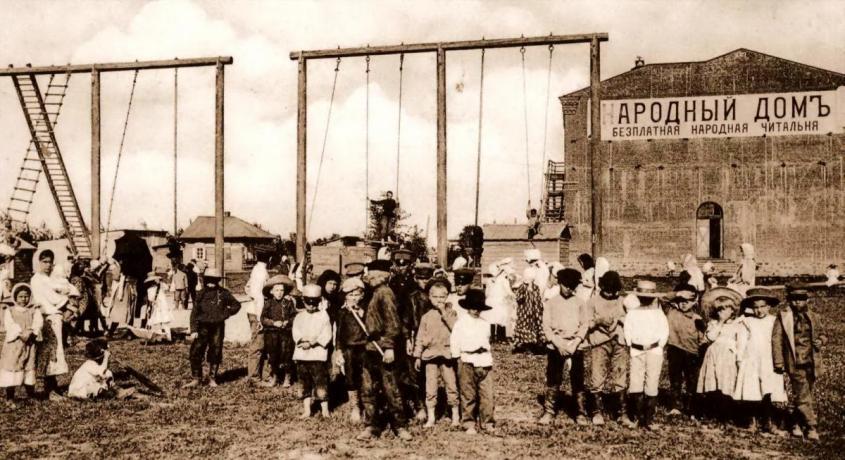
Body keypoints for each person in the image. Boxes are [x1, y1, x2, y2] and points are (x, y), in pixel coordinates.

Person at [356, 260, 412, 441]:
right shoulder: (374, 293)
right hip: (370, 348)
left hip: (383, 348)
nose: (368, 278)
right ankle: (372, 425)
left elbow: (393, 324)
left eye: (371, 275)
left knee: (391, 389)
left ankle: (400, 426)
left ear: (382, 276)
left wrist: (389, 348)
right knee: (368, 389)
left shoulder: (386, 294)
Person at [773, 285, 826, 441]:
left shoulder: (814, 317)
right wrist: (778, 362)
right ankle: (811, 427)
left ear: (807, 300)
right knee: (803, 395)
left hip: (812, 361)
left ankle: (795, 423)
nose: (798, 303)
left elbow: (823, 334)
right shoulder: (783, 317)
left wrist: (821, 341)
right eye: (794, 300)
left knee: (805, 393)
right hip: (794, 362)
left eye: (801, 299)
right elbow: (776, 340)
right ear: (789, 301)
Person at [538, 268, 590, 425]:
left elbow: (584, 324)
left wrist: (576, 342)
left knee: (577, 378)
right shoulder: (551, 303)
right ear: (559, 283)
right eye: (566, 285)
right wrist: (557, 343)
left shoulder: (580, 303)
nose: (569, 289)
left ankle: (580, 412)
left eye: (572, 286)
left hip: (575, 344)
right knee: (554, 377)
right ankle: (549, 411)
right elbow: (546, 326)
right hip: (556, 344)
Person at [733, 287, 787, 436]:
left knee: (768, 391)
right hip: (751, 359)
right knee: (752, 391)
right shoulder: (746, 322)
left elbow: (779, 341)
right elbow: (741, 342)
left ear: (769, 306)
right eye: (755, 307)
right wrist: (739, 359)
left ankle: (769, 422)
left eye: (762, 306)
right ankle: (752, 421)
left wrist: (780, 360)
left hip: (768, 360)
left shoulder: (774, 321)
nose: (759, 310)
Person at [413, 277, 459, 428]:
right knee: (430, 386)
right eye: (435, 297)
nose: (439, 300)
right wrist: (417, 355)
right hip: (430, 355)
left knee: (451, 384)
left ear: (447, 297)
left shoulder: (451, 313)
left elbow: (456, 330)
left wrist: (444, 313)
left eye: (442, 297)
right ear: (430, 297)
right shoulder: (426, 317)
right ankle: (431, 416)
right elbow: (419, 337)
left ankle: (455, 416)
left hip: (446, 354)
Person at [184, 268, 241, 388]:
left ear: (218, 281)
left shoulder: (224, 293)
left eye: (214, 280)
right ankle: (196, 378)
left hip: (217, 327)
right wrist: (193, 330)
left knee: (215, 351)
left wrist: (225, 313)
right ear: (205, 280)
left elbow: (237, 305)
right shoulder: (200, 294)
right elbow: (194, 313)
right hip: (202, 327)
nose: (211, 283)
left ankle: (212, 378)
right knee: (196, 351)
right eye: (209, 280)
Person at [623, 280, 669, 430]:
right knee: (636, 382)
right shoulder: (632, 313)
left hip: (654, 351)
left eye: (648, 297)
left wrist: (658, 345)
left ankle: (649, 419)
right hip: (637, 351)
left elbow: (664, 332)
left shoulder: (658, 313)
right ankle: (638, 417)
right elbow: (627, 331)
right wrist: (632, 344)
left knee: (652, 381)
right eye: (642, 297)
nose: (645, 300)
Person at [584, 271, 628, 426]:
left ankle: (622, 413)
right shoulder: (592, 302)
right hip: (600, 343)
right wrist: (599, 321)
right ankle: (597, 412)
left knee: (620, 375)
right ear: (601, 287)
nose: (610, 294)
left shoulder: (622, 301)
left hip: (619, 342)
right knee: (597, 376)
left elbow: (630, 318)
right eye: (607, 291)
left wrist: (619, 320)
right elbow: (587, 323)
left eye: (613, 291)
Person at [696, 287, 744, 426]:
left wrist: (738, 357)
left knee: (726, 383)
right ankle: (713, 413)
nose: (723, 312)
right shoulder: (713, 323)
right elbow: (710, 337)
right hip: (714, 355)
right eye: (720, 309)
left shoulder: (737, 324)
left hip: (728, 356)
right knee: (714, 383)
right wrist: (721, 322)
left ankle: (727, 415)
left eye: (726, 309)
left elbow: (740, 342)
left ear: (733, 310)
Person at [450, 288, 495, 434]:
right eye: (473, 307)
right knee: (468, 394)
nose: (476, 311)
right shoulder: (461, 323)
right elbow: (454, 343)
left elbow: (487, 341)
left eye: (479, 308)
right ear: (467, 307)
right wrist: (458, 360)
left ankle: (487, 422)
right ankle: (468, 423)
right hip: (467, 360)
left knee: (487, 394)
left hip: (484, 360)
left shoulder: (485, 323)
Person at [30, 250, 72, 400]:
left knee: (55, 351)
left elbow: (66, 291)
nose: (48, 265)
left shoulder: (50, 278)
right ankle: (49, 389)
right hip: (45, 317)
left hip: (55, 316)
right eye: (45, 262)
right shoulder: (37, 279)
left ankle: (52, 385)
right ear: (39, 262)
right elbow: (53, 298)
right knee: (49, 352)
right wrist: (66, 301)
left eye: (50, 262)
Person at [664, 284, 706, 418]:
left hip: (692, 352)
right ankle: (675, 406)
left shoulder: (697, 317)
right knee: (675, 379)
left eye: (687, 301)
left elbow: (702, 337)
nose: (683, 304)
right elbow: (664, 299)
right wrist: (678, 294)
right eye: (681, 300)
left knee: (692, 381)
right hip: (674, 349)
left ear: (694, 301)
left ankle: (691, 408)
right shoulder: (671, 310)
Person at [293, 284, 332, 418]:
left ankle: (325, 410)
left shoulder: (323, 316)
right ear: (303, 301)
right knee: (304, 382)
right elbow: (296, 332)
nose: (311, 306)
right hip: (302, 355)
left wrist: (312, 342)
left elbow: (326, 334)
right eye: (308, 303)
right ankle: (307, 410)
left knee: (320, 382)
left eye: (314, 303)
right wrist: (302, 341)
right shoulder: (299, 317)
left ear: (319, 302)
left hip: (317, 355)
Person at [0, 283, 42, 407]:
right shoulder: (10, 310)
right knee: (13, 366)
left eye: (26, 296)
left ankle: (30, 394)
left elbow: (38, 323)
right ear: (15, 297)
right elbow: (10, 324)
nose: (23, 299)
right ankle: (10, 396)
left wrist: (32, 332)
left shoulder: (33, 310)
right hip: (15, 344)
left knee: (29, 366)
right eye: (20, 297)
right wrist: (20, 333)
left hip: (29, 343)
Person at [334, 277, 368, 423]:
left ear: (362, 295)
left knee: (366, 378)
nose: (353, 298)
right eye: (350, 295)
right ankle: (355, 406)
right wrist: (338, 351)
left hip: (365, 348)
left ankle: (367, 405)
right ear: (345, 296)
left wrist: (361, 313)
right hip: (349, 349)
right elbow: (338, 334)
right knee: (350, 376)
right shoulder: (342, 313)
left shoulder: (366, 311)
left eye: (356, 295)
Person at [258, 275, 297, 388]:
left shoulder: (288, 303)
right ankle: (274, 377)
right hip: (272, 334)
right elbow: (263, 318)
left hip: (286, 334)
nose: (279, 293)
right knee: (273, 355)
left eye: (282, 290)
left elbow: (294, 316)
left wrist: (287, 322)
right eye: (277, 290)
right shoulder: (268, 303)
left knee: (287, 355)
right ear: (271, 291)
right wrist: (273, 323)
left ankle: (287, 377)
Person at [513, 250, 547, 353]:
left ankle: (533, 344)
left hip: (533, 302)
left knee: (532, 322)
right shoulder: (540, 269)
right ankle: (531, 344)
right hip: (533, 303)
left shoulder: (539, 270)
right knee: (532, 322)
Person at [244, 254, 270, 384]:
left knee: (260, 344)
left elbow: (247, 288)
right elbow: (258, 296)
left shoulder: (256, 270)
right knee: (258, 345)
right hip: (257, 312)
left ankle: (259, 374)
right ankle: (254, 377)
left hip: (254, 310)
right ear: (270, 259)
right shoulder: (261, 272)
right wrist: (260, 319)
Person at [483, 258, 516, 343]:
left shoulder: (489, 280)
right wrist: (514, 295)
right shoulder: (503, 280)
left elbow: (487, 293)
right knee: (501, 318)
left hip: (491, 301)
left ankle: (492, 337)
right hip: (500, 302)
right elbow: (509, 291)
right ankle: (501, 337)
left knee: (492, 319)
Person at [145, 272, 174, 342]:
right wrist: (161, 282)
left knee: (156, 322)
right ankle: (168, 337)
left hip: (156, 307)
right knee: (165, 322)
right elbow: (167, 288)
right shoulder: (161, 286)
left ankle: (158, 338)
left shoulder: (149, 290)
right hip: (163, 306)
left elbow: (150, 299)